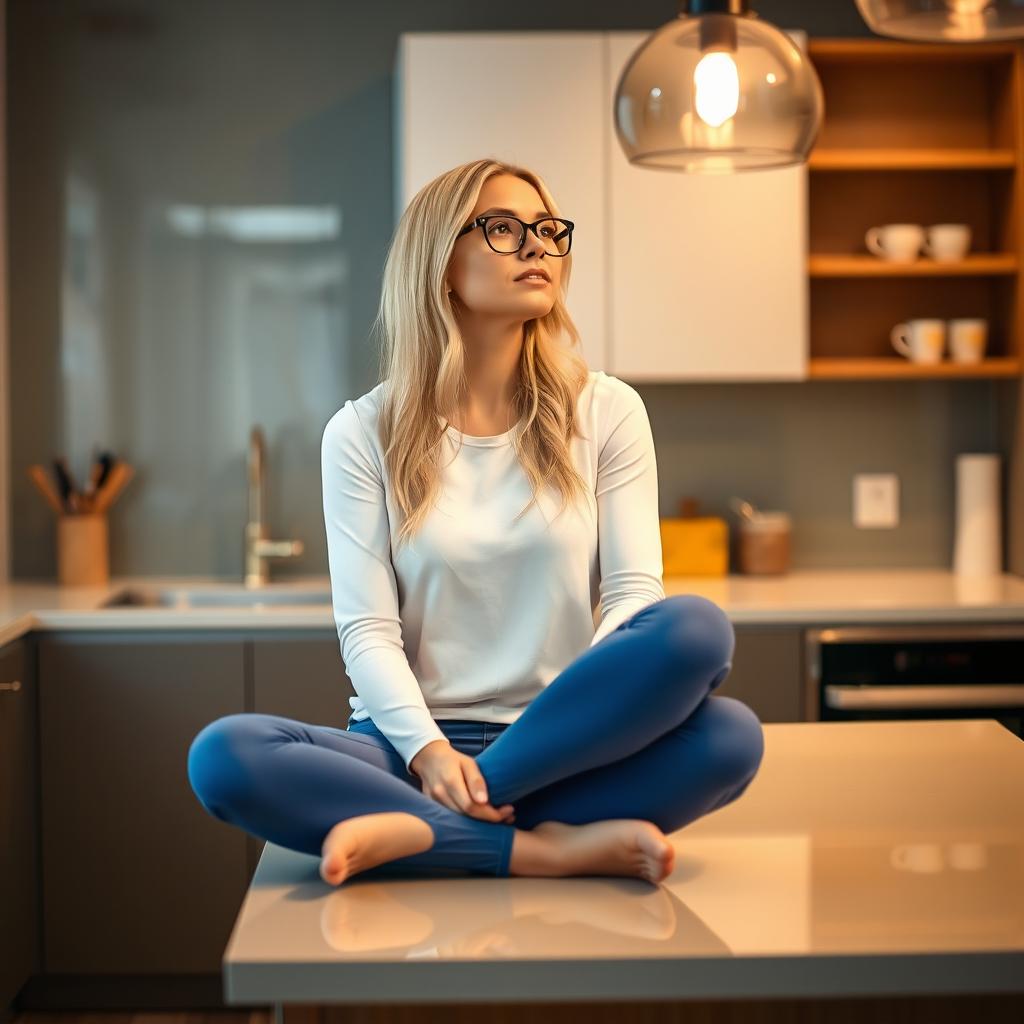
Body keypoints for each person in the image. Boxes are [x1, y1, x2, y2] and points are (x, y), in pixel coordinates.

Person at [187, 158, 764, 888]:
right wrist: (429, 755)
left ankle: (436, 825)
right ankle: (535, 850)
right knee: (224, 756)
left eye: (549, 231)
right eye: (502, 228)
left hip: (565, 742)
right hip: (406, 748)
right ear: (441, 265)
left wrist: (488, 772)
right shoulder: (362, 432)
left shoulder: (608, 410)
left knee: (713, 682)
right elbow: (366, 631)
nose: (537, 247)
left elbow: (630, 597)